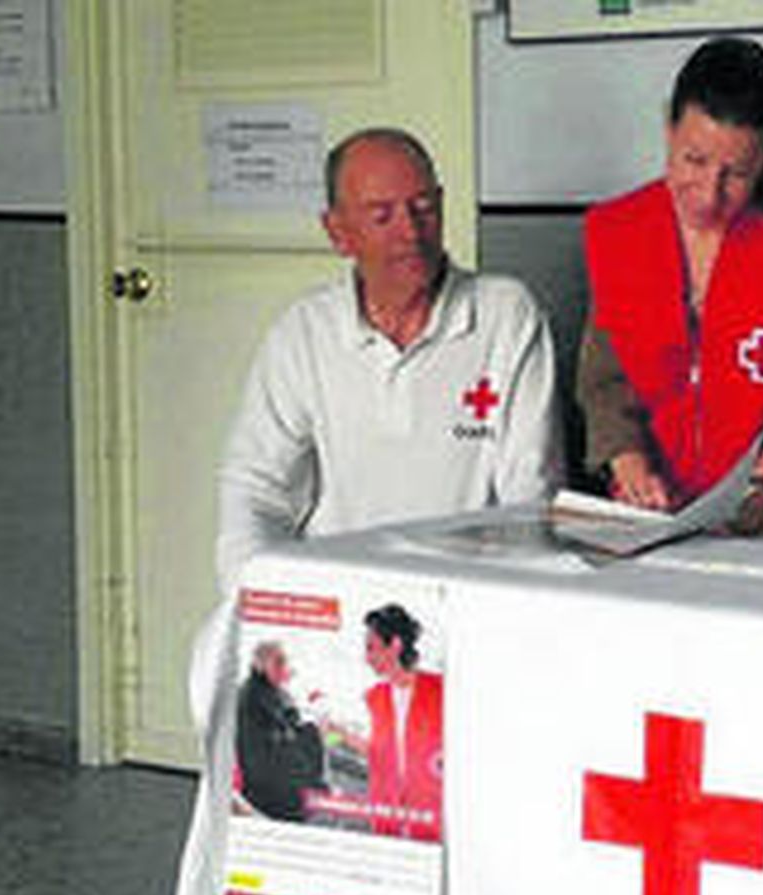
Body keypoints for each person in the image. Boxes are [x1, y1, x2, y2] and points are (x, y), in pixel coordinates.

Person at [215, 127, 562, 591]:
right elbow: (255, 490)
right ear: (338, 233)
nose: (411, 232)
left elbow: (531, 495)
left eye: (423, 209)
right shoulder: (303, 333)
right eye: (383, 216)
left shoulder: (505, 315)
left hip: (466, 594)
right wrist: (258, 597)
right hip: (339, 596)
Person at [577, 37, 763, 535]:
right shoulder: (616, 231)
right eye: (693, 160)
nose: (709, 194)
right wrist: (631, 469)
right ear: (669, 127)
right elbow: (605, 382)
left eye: (737, 174)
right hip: (653, 511)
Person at [361, 603, 443, 842]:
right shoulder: (374, 696)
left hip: (434, 823)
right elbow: (380, 753)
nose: (367, 658)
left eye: (372, 648)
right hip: (389, 820)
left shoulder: (440, 690)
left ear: (395, 645)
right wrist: (338, 732)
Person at [234, 642, 328, 823]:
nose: (284, 668)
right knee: (313, 734)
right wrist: (313, 731)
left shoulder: (268, 692)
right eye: (278, 663)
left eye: (285, 662)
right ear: (259, 665)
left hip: (267, 779)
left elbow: (287, 725)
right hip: (268, 792)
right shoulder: (254, 696)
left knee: (314, 734)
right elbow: (277, 739)